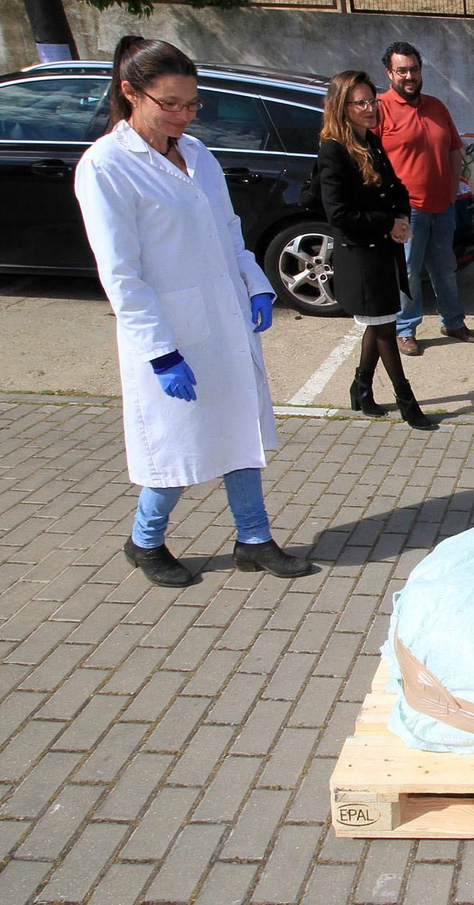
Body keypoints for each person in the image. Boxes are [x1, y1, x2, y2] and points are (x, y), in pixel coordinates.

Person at [74, 36, 311, 587]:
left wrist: (255, 283)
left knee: (239, 431)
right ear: (131, 94)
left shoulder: (198, 154)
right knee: (176, 446)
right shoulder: (107, 167)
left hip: (223, 321)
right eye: (171, 103)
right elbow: (121, 274)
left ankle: (254, 538)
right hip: (171, 333)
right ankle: (145, 540)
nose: (184, 115)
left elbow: (228, 230)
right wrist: (160, 353)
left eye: (192, 104)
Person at [318, 70, 435, 431]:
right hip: (360, 255)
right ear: (342, 107)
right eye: (361, 103)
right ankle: (406, 401)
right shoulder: (333, 150)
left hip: (382, 249)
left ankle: (360, 389)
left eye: (373, 101)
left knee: (378, 322)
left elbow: (395, 187)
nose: (371, 108)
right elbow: (338, 213)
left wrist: (400, 217)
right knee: (384, 327)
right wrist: (387, 223)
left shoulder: (368, 140)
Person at [376, 41, 474, 355]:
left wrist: (450, 188)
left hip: (442, 206)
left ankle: (453, 321)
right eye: (402, 70)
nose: (409, 76)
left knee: (445, 268)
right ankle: (405, 329)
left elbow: (453, 148)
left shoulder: (436, 106)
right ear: (389, 73)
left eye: (414, 69)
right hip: (406, 211)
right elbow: (370, 160)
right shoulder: (380, 109)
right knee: (408, 271)